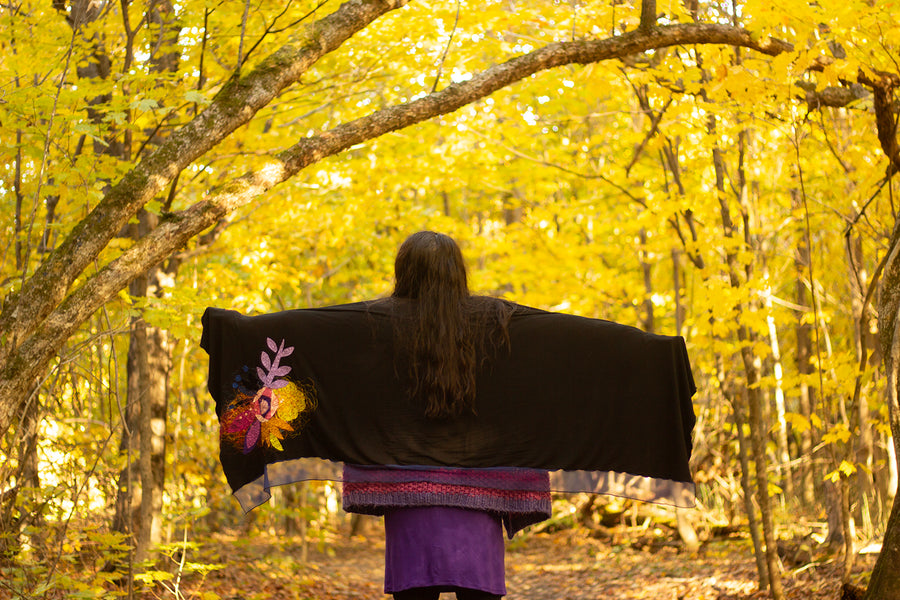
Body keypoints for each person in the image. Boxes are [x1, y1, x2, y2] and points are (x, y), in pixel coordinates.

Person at [341, 231, 552, 600]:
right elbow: (559, 350)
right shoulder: (499, 322)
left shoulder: (372, 323)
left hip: (408, 488)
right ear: (459, 273)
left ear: (403, 271)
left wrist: (238, 333)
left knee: (415, 595)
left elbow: (321, 345)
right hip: (479, 489)